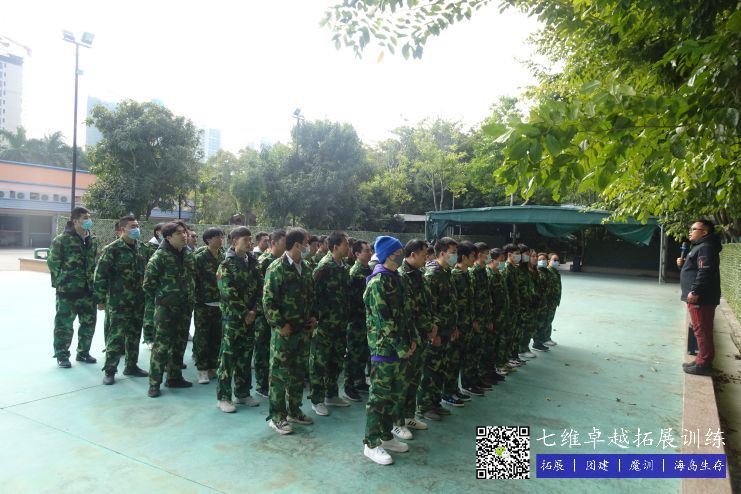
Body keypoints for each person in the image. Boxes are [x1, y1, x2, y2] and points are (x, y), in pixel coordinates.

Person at [362, 235, 415, 465]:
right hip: (384, 349)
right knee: (379, 399)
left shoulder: (396, 278)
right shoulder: (378, 282)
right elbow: (385, 321)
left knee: (394, 396)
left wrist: (411, 340)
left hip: (400, 348)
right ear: (388, 255)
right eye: (398, 251)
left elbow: (406, 313)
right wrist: (403, 347)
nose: (402, 254)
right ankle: (371, 443)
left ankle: (386, 436)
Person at [263, 227, 317, 434]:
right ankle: (277, 416)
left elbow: (311, 296)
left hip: (303, 331)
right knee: (279, 375)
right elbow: (268, 301)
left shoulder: (306, 267)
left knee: (297, 373)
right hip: (284, 332)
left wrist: (314, 316)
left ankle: (294, 410)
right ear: (297, 245)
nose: (308, 246)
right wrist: (280, 324)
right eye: (306, 243)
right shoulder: (276, 268)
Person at [94, 215, 149, 384]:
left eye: (137, 226)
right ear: (122, 229)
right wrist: (100, 299)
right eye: (132, 226)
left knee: (134, 334)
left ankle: (131, 366)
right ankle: (110, 370)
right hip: (118, 301)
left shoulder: (143, 248)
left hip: (138, 301)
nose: (136, 229)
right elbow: (100, 275)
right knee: (116, 336)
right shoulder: (112, 249)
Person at [143, 222, 196, 397]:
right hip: (166, 309)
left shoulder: (188, 254)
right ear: (168, 237)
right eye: (179, 233)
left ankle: (174, 377)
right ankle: (154, 383)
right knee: (162, 346)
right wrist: (164, 298)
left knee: (180, 344)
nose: (184, 235)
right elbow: (148, 285)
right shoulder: (159, 257)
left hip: (185, 307)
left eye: (184, 232)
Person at [215, 227, 263, 412]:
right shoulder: (226, 265)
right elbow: (228, 292)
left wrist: (254, 311)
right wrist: (245, 313)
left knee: (245, 356)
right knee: (228, 358)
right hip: (233, 318)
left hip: (250, 317)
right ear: (234, 242)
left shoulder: (253, 262)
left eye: (250, 239)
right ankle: (223, 397)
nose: (250, 243)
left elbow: (261, 288)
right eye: (246, 240)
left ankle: (242, 393)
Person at [47, 206, 99, 368]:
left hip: (88, 290)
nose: (89, 221)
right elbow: (53, 263)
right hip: (67, 291)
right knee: (64, 325)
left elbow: (94, 264)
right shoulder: (62, 240)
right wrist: (63, 282)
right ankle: (62, 355)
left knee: (88, 323)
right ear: (75, 221)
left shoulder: (92, 240)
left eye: (89, 217)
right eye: (85, 218)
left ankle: (83, 352)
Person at [394, 239, 434, 439]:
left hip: (421, 336)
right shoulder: (400, 277)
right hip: (409, 337)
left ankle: (408, 416)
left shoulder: (420, 274)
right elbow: (403, 313)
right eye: (424, 254)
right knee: (401, 381)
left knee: (414, 379)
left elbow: (426, 304)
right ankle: (396, 422)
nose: (427, 258)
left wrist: (431, 325)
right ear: (412, 254)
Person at [309, 231, 351, 415]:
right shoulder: (324, 267)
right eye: (345, 245)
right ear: (335, 247)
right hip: (325, 324)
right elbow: (312, 294)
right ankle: (317, 399)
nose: (348, 248)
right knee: (319, 362)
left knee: (336, 360)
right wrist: (316, 318)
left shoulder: (343, 267)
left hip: (340, 323)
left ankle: (331, 394)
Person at [417, 237, 458, 422]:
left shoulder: (447, 272)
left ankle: (435, 402)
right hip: (436, 332)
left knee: (441, 368)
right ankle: (424, 406)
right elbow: (428, 307)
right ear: (442, 253)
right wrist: (434, 333)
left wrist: (453, 327)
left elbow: (451, 303)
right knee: (430, 370)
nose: (455, 256)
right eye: (452, 252)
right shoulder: (432, 274)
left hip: (447, 329)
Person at [678, 219, 722, 376]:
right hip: (701, 297)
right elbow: (697, 268)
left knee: (702, 330)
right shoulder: (700, 246)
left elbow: (705, 271)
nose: (690, 231)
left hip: (701, 298)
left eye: (694, 229)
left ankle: (703, 364)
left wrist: (695, 291)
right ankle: (701, 360)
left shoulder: (705, 247)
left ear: (704, 232)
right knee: (702, 329)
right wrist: (683, 264)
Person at [254, 229, 287, 398]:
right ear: (274, 243)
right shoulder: (264, 261)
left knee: (275, 350)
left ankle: (274, 381)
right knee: (263, 348)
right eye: (284, 242)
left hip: (279, 312)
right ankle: (262, 384)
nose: (287, 245)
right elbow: (257, 288)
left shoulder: (284, 261)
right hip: (264, 313)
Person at [448, 241, 480, 403]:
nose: (475, 259)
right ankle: (448, 392)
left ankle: (455, 389)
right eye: (473, 256)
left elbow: (470, 301)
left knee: (461, 358)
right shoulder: (454, 275)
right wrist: (454, 326)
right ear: (464, 257)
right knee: (453, 361)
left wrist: (473, 320)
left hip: (467, 324)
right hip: (458, 326)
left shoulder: (469, 274)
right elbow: (452, 304)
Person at [193, 228, 225, 384]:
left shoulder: (223, 257)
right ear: (208, 240)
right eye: (217, 237)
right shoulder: (199, 258)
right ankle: (202, 369)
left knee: (217, 337)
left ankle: (213, 366)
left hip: (220, 304)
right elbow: (193, 280)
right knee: (202, 338)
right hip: (203, 304)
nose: (220, 239)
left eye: (221, 236)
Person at [344, 239, 373, 401]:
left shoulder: (369, 270)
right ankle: (349, 386)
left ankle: (360, 382)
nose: (370, 253)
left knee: (364, 353)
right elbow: (351, 301)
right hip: (356, 321)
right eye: (366, 251)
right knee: (353, 354)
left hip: (366, 320)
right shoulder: (354, 273)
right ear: (357, 254)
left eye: (370, 250)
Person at [487, 248, 511, 378]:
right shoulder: (489, 275)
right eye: (501, 260)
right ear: (493, 260)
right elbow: (488, 300)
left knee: (498, 343)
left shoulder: (499, 274)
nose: (503, 262)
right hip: (493, 317)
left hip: (502, 316)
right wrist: (490, 319)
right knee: (490, 345)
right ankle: (490, 369)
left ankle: (496, 367)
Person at [142, 223, 165, 349]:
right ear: (157, 232)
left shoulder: (165, 246)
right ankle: (149, 338)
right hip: (152, 284)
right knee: (150, 312)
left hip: (163, 287)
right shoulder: (150, 247)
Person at [532, 253, 553, 352]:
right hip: (539, 303)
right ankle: (536, 343)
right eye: (540, 259)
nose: (542, 261)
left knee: (544, 322)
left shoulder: (547, 272)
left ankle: (540, 341)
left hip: (546, 302)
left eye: (544, 259)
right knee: (538, 323)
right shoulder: (536, 273)